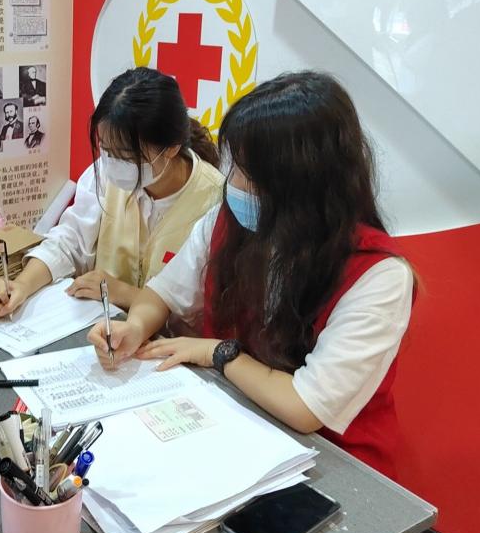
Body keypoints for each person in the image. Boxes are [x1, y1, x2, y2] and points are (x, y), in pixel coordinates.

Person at [88, 71, 414, 477]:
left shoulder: (378, 276)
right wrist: (135, 328)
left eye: (248, 173)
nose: (233, 184)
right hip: (233, 423)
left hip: (329, 464)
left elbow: (305, 407)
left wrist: (218, 353)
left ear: (304, 184)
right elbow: (164, 294)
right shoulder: (230, 220)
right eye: (234, 166)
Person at [0, 67, 223, 324]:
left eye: (126, 155)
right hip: (99, 329)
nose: (112, 164)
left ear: (171, 148)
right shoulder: (106, 172)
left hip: (167, 344)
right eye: (107, 150)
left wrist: (125, 294)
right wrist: (22, 284)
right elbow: (71, 241)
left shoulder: (214, 202)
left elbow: (202, 315)